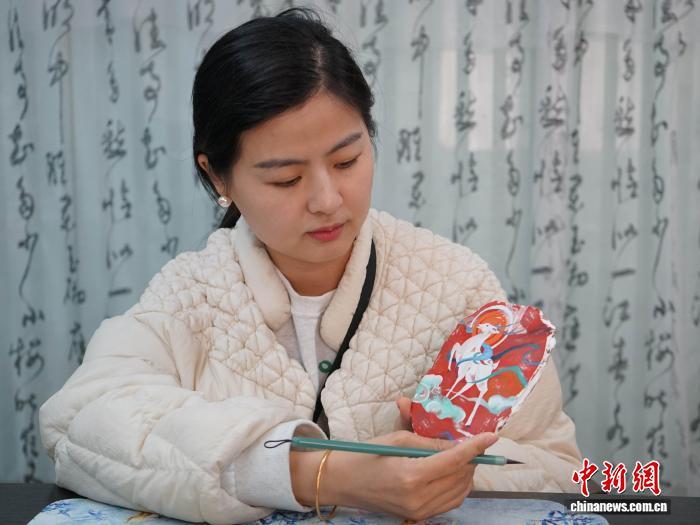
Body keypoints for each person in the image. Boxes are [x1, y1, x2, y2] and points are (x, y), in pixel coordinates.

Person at [39, 8, 581, 524]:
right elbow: (79, 423)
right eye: (286, 179)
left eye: (347, 160)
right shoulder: (190, 295)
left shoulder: (455, 285)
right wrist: (320, 475)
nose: (327, 200)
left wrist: (447, 470)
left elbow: (556, 468)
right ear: (219, 176)